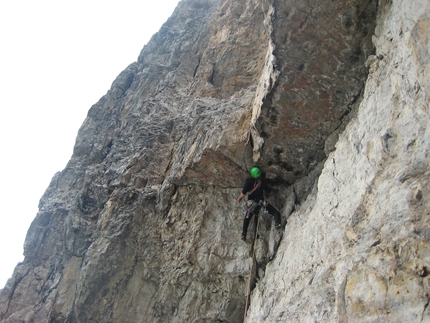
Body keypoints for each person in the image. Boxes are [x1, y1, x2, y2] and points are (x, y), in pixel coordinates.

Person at [237, 166, 282, 241]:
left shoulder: (249, 181)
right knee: (275, 212)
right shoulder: (262, 182)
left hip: (251, 204)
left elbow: (244, 192)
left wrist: (239, 198)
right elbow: (269, 190)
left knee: (247, 218)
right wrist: (275, 193)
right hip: (261, 202)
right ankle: (278, 224)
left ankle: (244, 234)